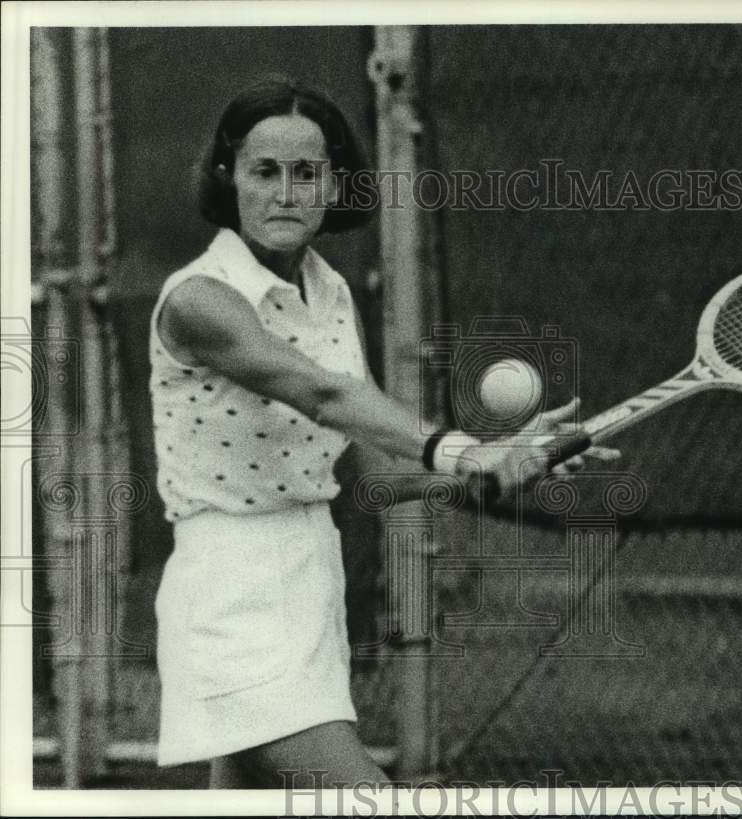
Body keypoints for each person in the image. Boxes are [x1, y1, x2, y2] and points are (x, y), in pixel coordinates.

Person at [148, 77, 615, 788]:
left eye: (307, 173)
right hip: (229, 587)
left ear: (335, 184)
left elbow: (376, 475)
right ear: (227, 177)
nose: (286, 192)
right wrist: (464, 446)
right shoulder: (199, 301)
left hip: (311, 573)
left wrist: (502, 466)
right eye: (264, 171)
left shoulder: (329, 291)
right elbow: (323, 391)